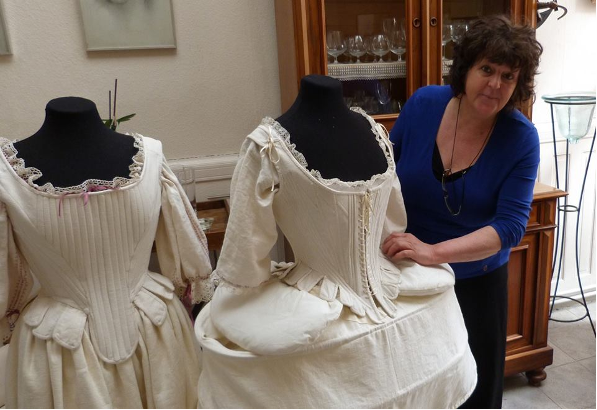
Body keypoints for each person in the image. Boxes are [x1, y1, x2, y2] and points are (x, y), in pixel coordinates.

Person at [194, 75, 477, 408]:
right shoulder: (268, 147)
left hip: (385, 291)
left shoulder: (374, 132)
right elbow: (246, 249)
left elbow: (246, 258)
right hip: (327, 308)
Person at [0, 97, 213, 408]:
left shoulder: (150, 156)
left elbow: (184, 249)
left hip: (155, 333)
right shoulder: (5, 172)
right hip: (60, 348)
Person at [383, 15, 543, 409]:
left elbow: (510, 228)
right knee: (413, 388)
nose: (495, 84)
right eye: (487, 69)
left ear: (519, 84)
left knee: (475, 392)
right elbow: (383, 174)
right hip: (408, 276)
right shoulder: (424, 104)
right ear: (466, 68)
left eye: (508, 76)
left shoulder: (522, 139)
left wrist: (433, 252)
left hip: (477, 283)